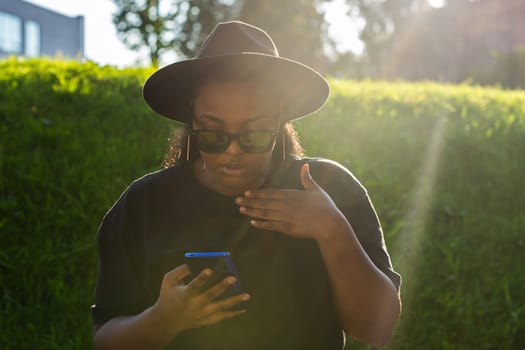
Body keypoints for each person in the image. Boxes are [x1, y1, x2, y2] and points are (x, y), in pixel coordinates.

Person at [91, 21, 401, 350]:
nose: (233, 151)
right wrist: (164, 319)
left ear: (279, 118)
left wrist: (331, 229)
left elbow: (375, 329)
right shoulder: (144, 204)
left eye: (254, 134)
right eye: (214, 135)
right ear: (193, 118)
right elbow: (105, 340)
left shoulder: (328, 188)